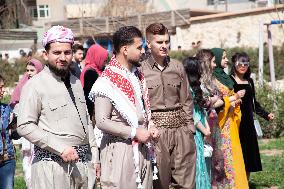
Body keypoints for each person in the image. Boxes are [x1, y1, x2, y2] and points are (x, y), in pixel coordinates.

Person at [17, 25, 99, 189]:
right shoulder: (35, 85)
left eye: (67, 52)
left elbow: (86, 122)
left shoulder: (76, 82)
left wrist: (95, 157)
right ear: (46, 54)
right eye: (56, 52)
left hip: (83, 168)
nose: (63, 57)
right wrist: (60, 148)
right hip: (52, 169)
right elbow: (24, 125)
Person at [89, 26, 159, 189]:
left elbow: (142, 112)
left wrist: (151, 126)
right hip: (119, 151)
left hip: (142, 149)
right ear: (125, 49)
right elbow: (102, 121)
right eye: (139, 47)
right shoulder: (106, 82)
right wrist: (134, 132)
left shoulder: (137, 76)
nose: (143, 51)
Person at [141, 23, 196, 189]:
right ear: (148, 44)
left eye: (166, 41)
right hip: (156, 134)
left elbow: (186, 99)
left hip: (181, 131)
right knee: (160, 183)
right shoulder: (141, 70)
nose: (164, 46)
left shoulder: (177, 66)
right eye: (159, 42)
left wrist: (189, 128)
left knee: (186, 182)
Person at [230, 52, 274, 179]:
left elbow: (254, 103)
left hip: (248, 124)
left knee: (248, 158)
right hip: (235, 123)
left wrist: (266, 114)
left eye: (246, 64)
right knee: (236, 156)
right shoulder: (229, 80)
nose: (243, 66)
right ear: (235, 64)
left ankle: (246, 184)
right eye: (240, 63)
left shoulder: (249, 81)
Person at [211, 48, 249, 189]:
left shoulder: (224, 77)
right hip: (221, 125)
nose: (226, 60)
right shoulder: (212, 79)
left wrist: (235, 101)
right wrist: (234, 98)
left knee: (234, 155)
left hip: (231, 121)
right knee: (226, 157)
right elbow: (215, 104)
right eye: (223, 57)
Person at [10, 58, 43, 189]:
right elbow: (15, 105)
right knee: (28, 162)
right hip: (27, 131)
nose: (29, 73)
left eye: (32, 70)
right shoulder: (23, 86)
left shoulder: (44, 85)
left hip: (41, 130)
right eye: (27, 70)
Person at [183, 57, 211, 189]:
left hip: (199, 133)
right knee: (196, 166)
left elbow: (200, 111)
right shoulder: (187, 90)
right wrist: (205, 130)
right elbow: (193, 116)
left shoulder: (194, 88)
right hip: (193, 134)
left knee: (201, 165)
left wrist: (207, 128)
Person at [0, 74, 20, 189]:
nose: (2, 91)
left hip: (7, 160)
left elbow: (14, 135)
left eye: (3, 87)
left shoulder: (7, 109)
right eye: (0, 88)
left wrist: (17, 127)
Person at [80, 44, 108, 118]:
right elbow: (89, 97)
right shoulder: (90, 72)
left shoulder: (95, 69)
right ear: (97, 58)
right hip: (93, 112)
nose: (104, 63)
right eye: (103, 60)